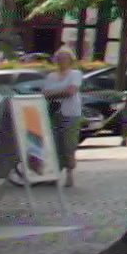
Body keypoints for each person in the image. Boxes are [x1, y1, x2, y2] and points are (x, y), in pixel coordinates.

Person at [37, 47, 84, 189]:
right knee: (54, 144)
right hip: (53, 113)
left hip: (70, 113)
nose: (62, 61)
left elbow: (70, 91)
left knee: (68, 143)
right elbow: (44, 93)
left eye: (65, 59)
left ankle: (69, 175)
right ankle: (54, 175)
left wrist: (53, 94)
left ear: (70, 60)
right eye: (59, 59)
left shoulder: (75, 74)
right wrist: (58, 93)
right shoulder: (51, 76)